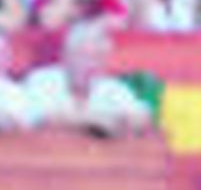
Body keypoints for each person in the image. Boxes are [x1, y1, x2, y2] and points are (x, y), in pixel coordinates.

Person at [24, 21, 152, 138]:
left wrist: (130, 120)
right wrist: (95, 121)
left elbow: (141, 115)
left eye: (97, 57)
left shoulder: (111, 88)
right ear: (65, 56)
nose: (90, 65)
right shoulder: (42, 80)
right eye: (83, 56)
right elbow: (38, 116)